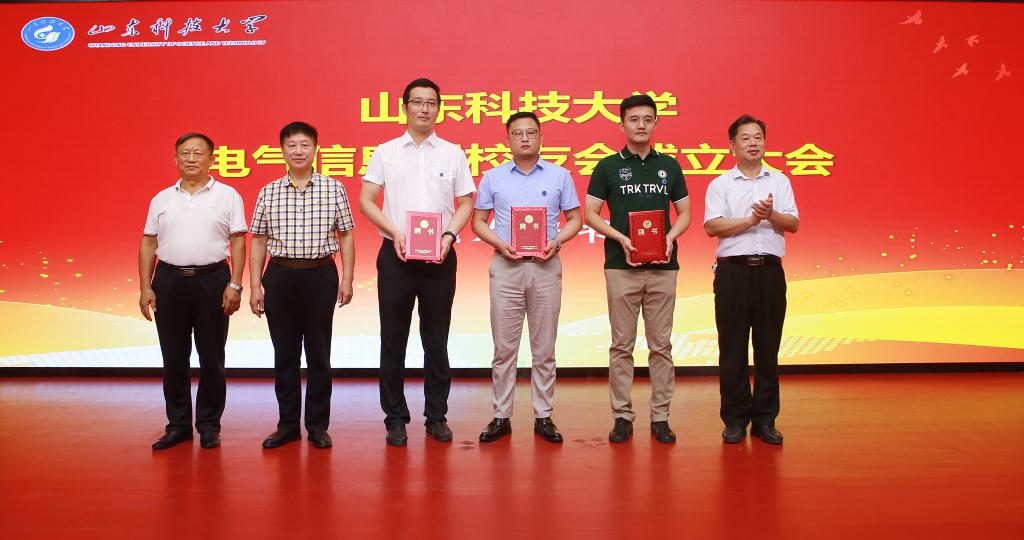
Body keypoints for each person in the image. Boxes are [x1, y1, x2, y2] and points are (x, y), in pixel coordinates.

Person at [360, 78, 476, 447]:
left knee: (436, 339)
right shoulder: (386, 152)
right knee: (393, 339)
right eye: (418, 102)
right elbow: (366, 200)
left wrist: (449, 236)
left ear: (439, 108)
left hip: (440, 256)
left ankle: (436, 416)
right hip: (395, 255)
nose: (425, 109)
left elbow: (466, 203)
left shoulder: (453, 153)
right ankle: (395, 418)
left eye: (431, 103)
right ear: (405, 107)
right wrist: (394, 232)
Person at [584, 94, 691, 444]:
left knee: (661, 346)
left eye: (647, 119)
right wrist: (620, 238)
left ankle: (660, 417)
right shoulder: (607, 167)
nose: (641, 125)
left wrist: (670, 237)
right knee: (621, 345)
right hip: (621, 266)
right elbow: (591, 214)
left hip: (663, 266)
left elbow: (685, 213)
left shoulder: (669, 166)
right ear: (622, 125)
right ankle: (622, 416)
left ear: (655, 123)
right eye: (634, 119)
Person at [472, 111, 582, 444]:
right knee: (504, 349)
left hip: (546, 267)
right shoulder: (492, 177)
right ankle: (501, 416)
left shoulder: (560, 176)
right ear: (507, 139)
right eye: (517, 133)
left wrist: (557, 241)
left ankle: (543, 416)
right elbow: (478, 222)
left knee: (544, 348)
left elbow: (575, 219)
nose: (524, 138)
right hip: (506, 268)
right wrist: (499, 243)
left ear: (541, 138)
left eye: (531, 132)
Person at [249, 121, 356, 449]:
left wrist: (347, 278)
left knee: (319, 354)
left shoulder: (333, 188)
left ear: (315, 149)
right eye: (292, 145)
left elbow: (346, 235)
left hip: (320, 275)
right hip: (279, 276)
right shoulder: (268, 191)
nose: (298, 151)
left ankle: (317, 426)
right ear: (282, 150)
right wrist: (255, 286)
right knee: (285, 354)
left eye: (304, 145)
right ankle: (287, 426)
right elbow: (258, 240)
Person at [140, 132, 247, 450]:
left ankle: (209, 425)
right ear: (175, 158)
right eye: (184, 153)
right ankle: (178, 425)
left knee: (212, 357)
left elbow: (238, 241)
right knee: (173, 357)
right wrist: (145, 286)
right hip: (169, 280)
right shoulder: (161, 199)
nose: (191, 158)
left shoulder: (228, 195)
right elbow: (148, 242)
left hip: (213, 280)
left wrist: (235, 283)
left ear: (212, 159)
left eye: (198, 153)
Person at [704, 114, 799, 445]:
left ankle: (765, 419)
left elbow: (793, 223)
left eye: (758, 137)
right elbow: (712, 226)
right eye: (745, 138)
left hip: (770, 272)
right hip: (733, 272)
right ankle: (734, 419)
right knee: (732, 349)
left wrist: (771, 215)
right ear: (732, 145)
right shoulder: (720, 184)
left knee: (768, 349)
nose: (753, 143)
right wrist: (750, 220)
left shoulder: (780, 181)